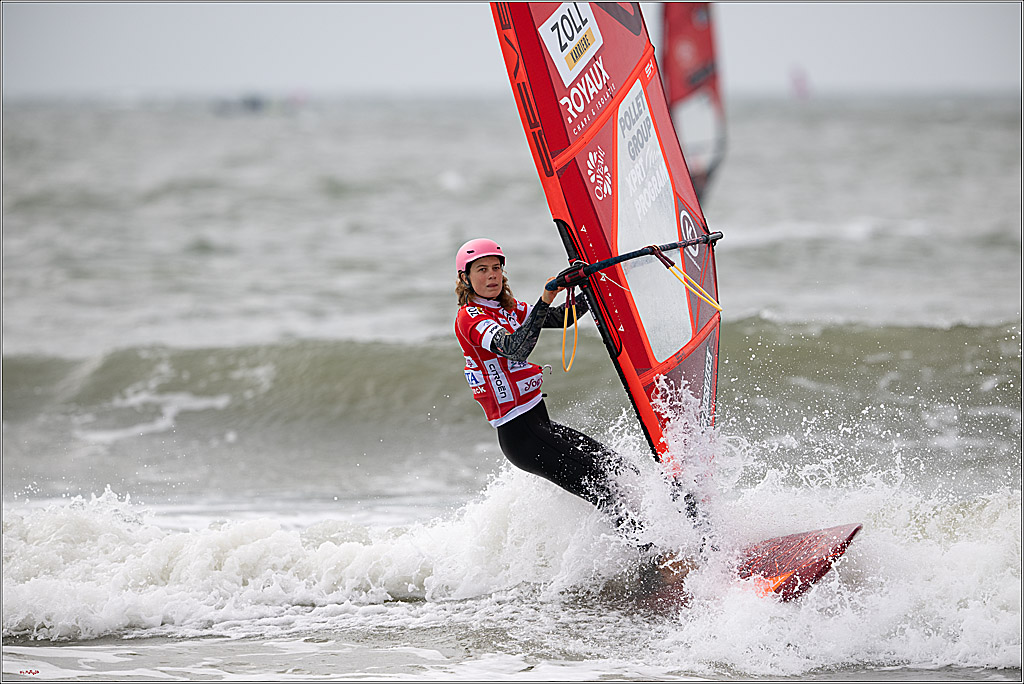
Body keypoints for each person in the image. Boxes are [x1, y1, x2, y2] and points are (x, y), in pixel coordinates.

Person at [452, 237, 644, 543]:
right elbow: (515, 348)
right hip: (522, 438)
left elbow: (561, 318)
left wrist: (592, 284)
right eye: (482, 270)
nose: (491, 276)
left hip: (540, 425)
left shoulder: (509, 309)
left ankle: (667, 529)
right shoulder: (471, 318)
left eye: (496, 268)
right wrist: (545, 298)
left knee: (617, 467)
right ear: (465, 277)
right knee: (604, 488)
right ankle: (657, 560)